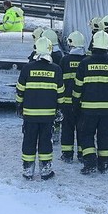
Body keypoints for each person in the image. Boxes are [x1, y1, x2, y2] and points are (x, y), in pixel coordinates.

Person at [73, 30, 108, 175]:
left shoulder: (84, 63)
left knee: (86, 134)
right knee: (104, 136)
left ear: (93, 43)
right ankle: (104, 164)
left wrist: (75, 103)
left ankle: (89, 162)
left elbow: (78, 86)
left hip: (88, 109)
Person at [16, 37, 64, 180]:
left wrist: (19, 106)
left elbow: (20, 91)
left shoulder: (27, 68)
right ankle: (45, 170)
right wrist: (59, 109)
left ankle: (28, 170)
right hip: (48, 115)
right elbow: (60, 94)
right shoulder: (56, 70)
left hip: (30, 115)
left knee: (29, 140)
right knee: (45, 141)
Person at [58, 31, 88, 163]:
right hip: (83, 102)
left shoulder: (64, 60)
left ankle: (67, 154)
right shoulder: (87, 61)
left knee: (67, 128)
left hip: (67, 102)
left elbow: (59, 81)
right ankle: (82, 154)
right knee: (82, 128)